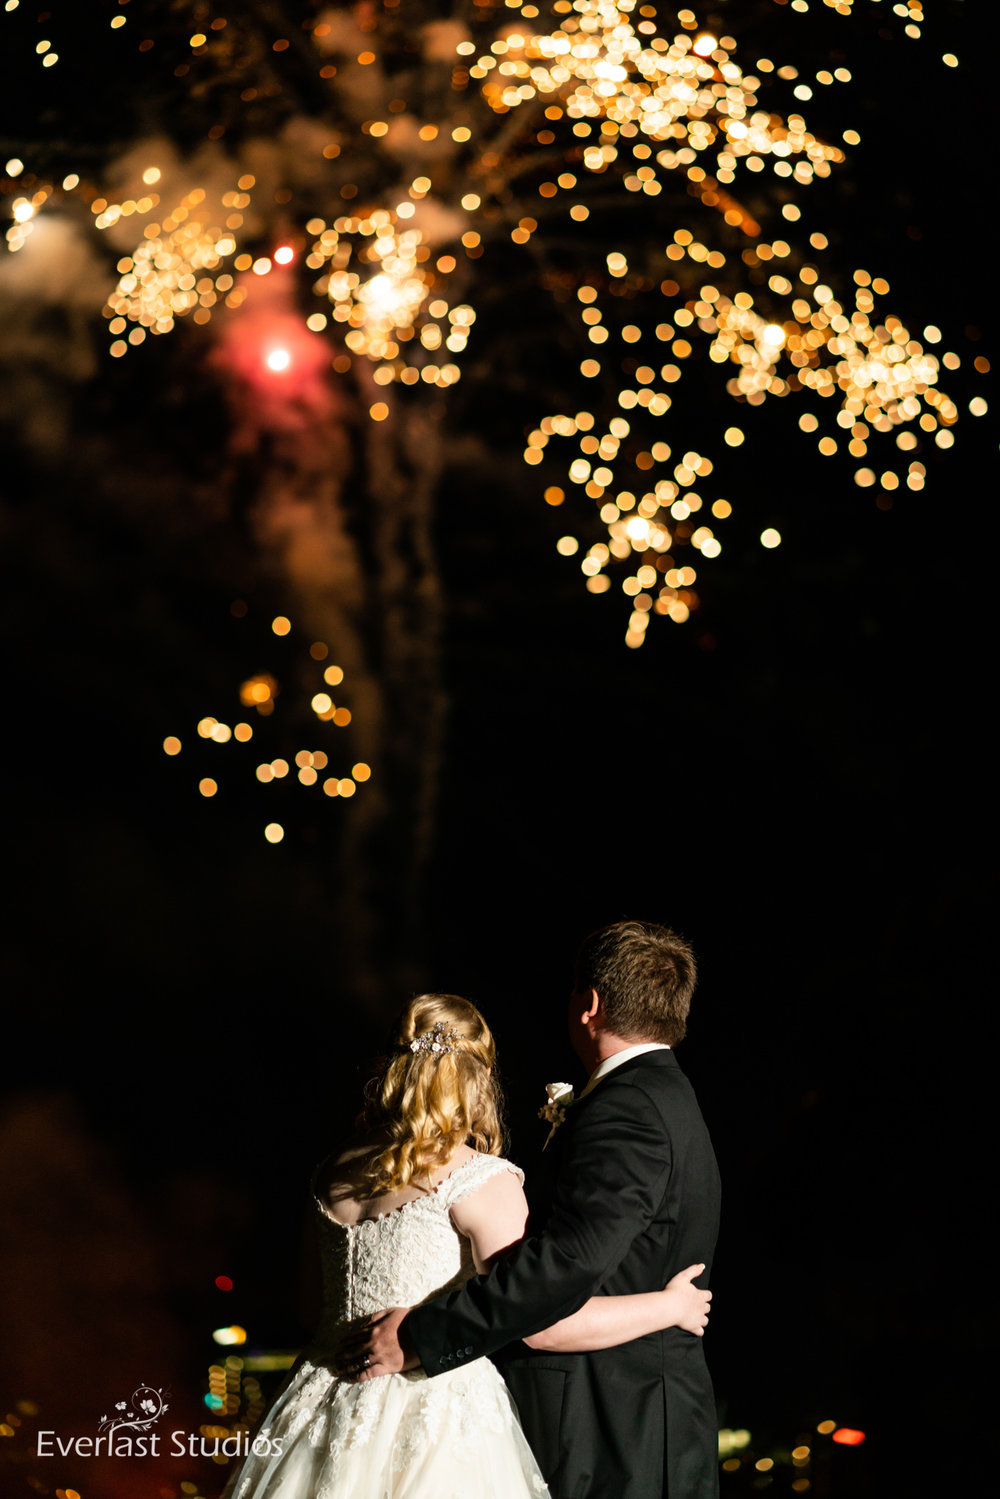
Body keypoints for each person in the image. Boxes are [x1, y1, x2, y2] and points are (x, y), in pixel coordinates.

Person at [221, 990, 712, 1499]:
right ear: (478, 1078)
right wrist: (669, 1305)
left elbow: (308, 1306)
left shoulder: (331, 1174)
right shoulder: (479, 1179)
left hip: (319, 1399)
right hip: (436, 1412)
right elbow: (544, 1324)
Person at [354, 922, 722, 1499]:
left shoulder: (627, 1109)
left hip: (613, 1428)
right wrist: (667, 1306)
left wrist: (426, 1334)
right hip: (640, 1414)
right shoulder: (667, 1098)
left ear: (590, 1004)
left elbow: (567, 1267)